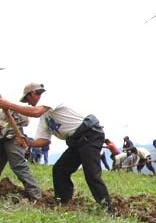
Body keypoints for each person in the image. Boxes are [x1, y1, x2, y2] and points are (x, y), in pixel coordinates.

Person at [0, 83, 112, 211]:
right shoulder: (45, 117)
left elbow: (36, 112)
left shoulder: (49, 97)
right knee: (60, 170)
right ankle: (64, 203)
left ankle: (107, 209)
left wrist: (8, 105)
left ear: (33, 93)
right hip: (76, 142)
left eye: (27, 99)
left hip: (90, 134)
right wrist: (28, 143)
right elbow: (44, 141)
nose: (29, 103)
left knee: (92, 174)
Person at [0, 94, 42, 201]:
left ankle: (36, 196)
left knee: (18, 165)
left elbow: (24, 121)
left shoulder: (5, 106)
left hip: (12, 135)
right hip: (2, 136)